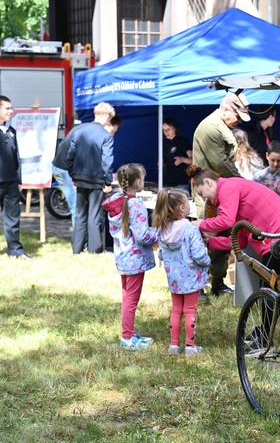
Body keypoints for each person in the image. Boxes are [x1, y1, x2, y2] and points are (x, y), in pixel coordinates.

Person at [188, 165, 280, 278]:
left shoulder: (227, 187)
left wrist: (201, 224)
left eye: (201, 193)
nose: (203, 199)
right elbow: (240, 241)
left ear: (208, 183)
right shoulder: (230, 191)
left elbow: (226, 221)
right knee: (274, 284)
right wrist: (210, 241)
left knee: (268, 286)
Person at [192, 92, 246, 300]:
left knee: (223, 237)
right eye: (238, 116)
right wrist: (243, 184)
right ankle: (197, 285)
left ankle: (217, 282)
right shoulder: (210, 128)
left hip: (221, 191)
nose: (239, 121)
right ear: (225, 109)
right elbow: (220, 164)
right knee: (206, 239)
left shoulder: (221, 126)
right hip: (208, 193)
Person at [102, 163, 159, 350]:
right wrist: (158, 233)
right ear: (137, 182)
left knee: (127, 297)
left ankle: (130, 332)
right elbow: (143, 236)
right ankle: (127, 338)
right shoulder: (136, 205)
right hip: (135, 260)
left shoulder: (118, 202)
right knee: (131, 300)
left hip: (123, 257)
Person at [153, 188, 210, 356]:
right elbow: (199, 254)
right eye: (187, 202)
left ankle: (174, 345)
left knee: (176, 309)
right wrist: (207, 261)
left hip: (174, 279)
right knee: (190, 310)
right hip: (191, 278)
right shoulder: (190, 229)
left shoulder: (162, 229)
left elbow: (162, 254)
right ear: (181, 208)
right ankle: (190, 346)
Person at [65, 102, 116, 254]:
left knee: (80, 213)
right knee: (94, 215)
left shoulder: (79, 132)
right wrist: (107, 182)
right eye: (109, 118)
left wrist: (73, 176)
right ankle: (94, 249)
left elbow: (69, 157)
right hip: (96, 181)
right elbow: (107, 161)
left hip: (80, 179)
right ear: (106, 116)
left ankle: (76, 248)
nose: (109, 122)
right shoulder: (106, 136)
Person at [0, 95, 31, 259]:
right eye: (7, 108)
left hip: (11, 183)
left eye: (11, 108)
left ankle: (15, 251)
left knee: (13, 218)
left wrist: (19, 180)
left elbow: (16, 157)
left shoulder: (11, 131)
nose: (10, 111)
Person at [162, 118, 193, 191]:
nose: (166, 132)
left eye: (168, 129)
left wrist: (182, 159)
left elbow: (193, 160)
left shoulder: (183, 142)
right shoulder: (165, 143)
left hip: (180, 183)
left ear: (175, 128)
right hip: (167, 182)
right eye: (164, 130)